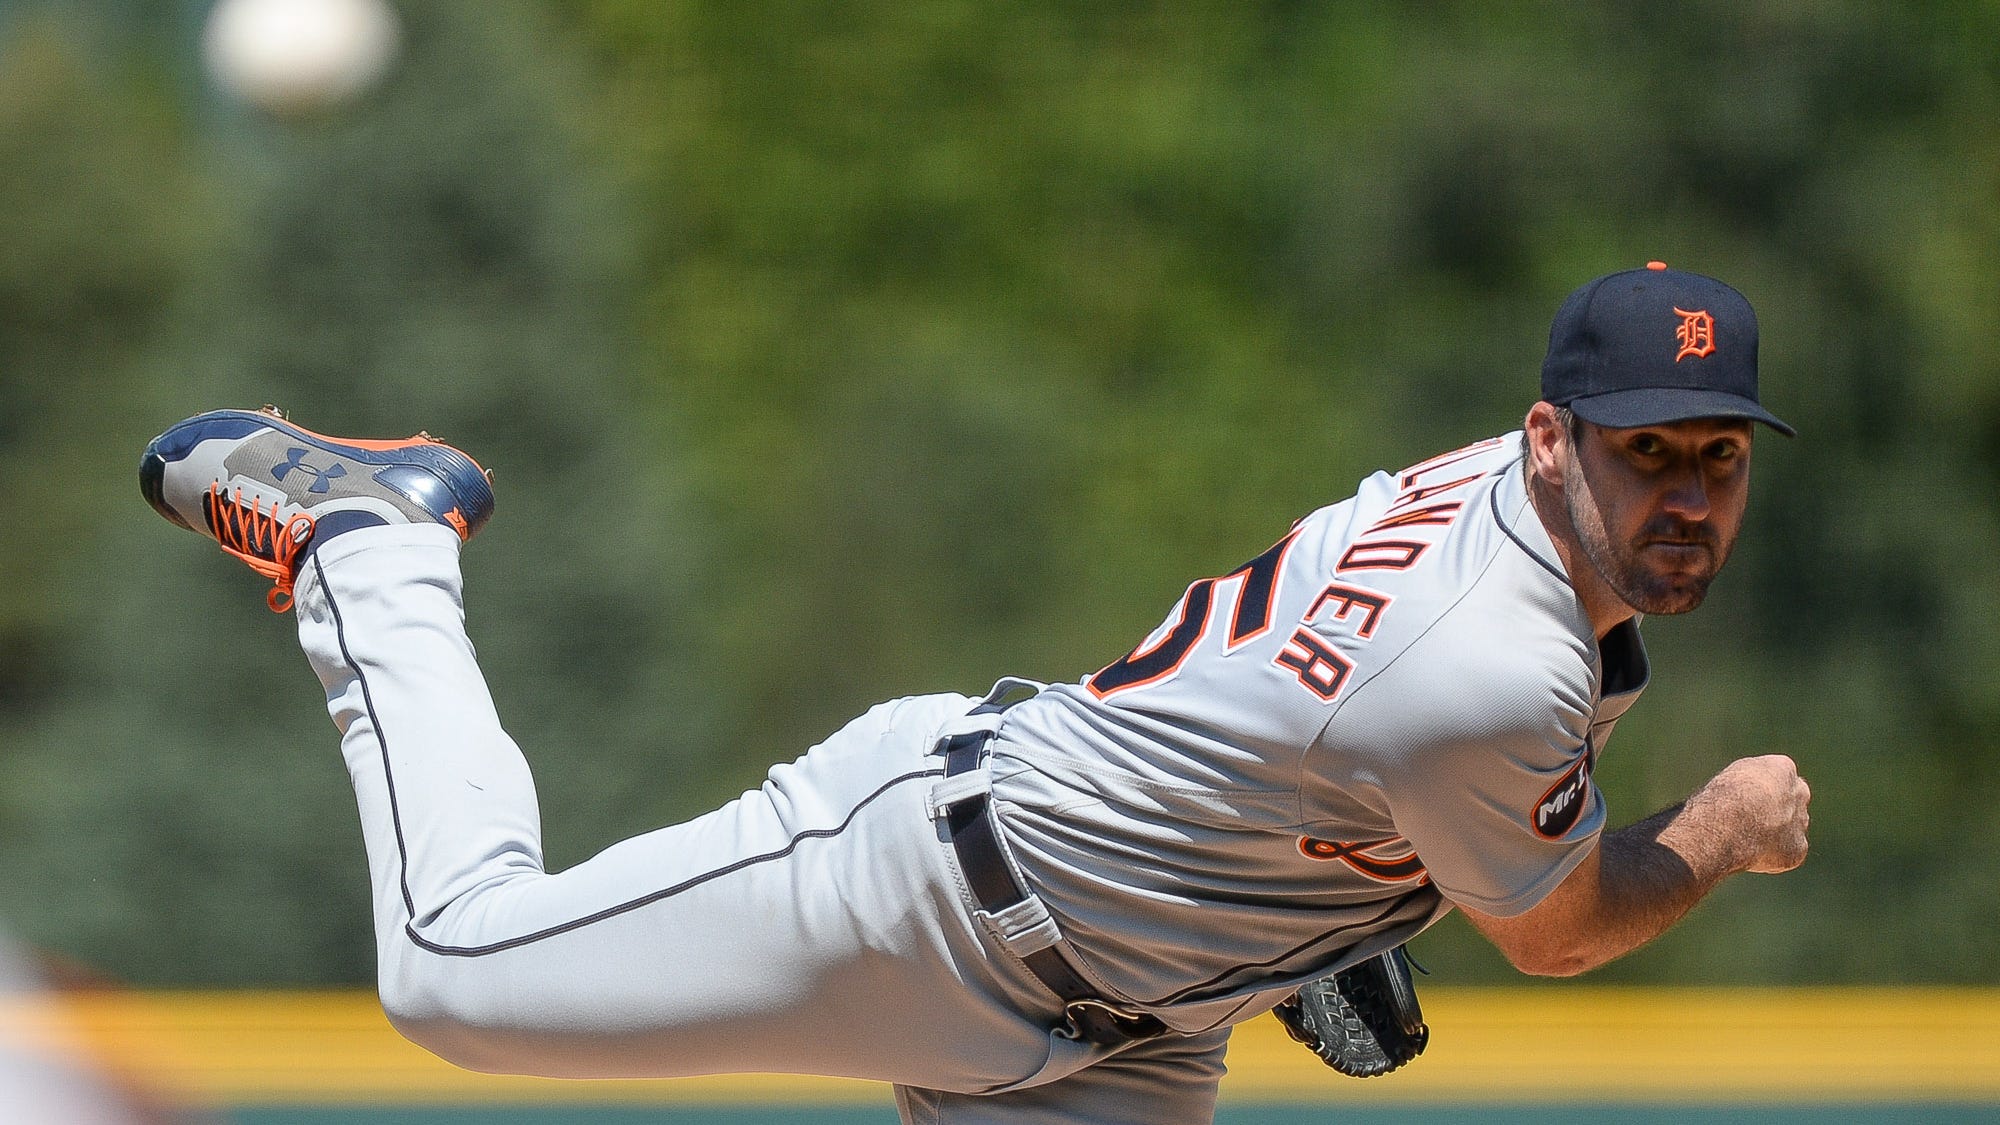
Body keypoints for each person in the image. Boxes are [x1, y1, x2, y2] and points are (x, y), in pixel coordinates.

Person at [139, 261, 1811, 1124]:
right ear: (1550, 439)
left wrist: (1315, 923)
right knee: (448, 975)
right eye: (1643, 451)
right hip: (926, 896)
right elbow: (1561, 926)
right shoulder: (1490, 661)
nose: (1683, 493)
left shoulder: (1498, 521)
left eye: (1716, 459)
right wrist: (1723, 827)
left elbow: (1293, 736)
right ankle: (374, 550)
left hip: (1123, 1033)